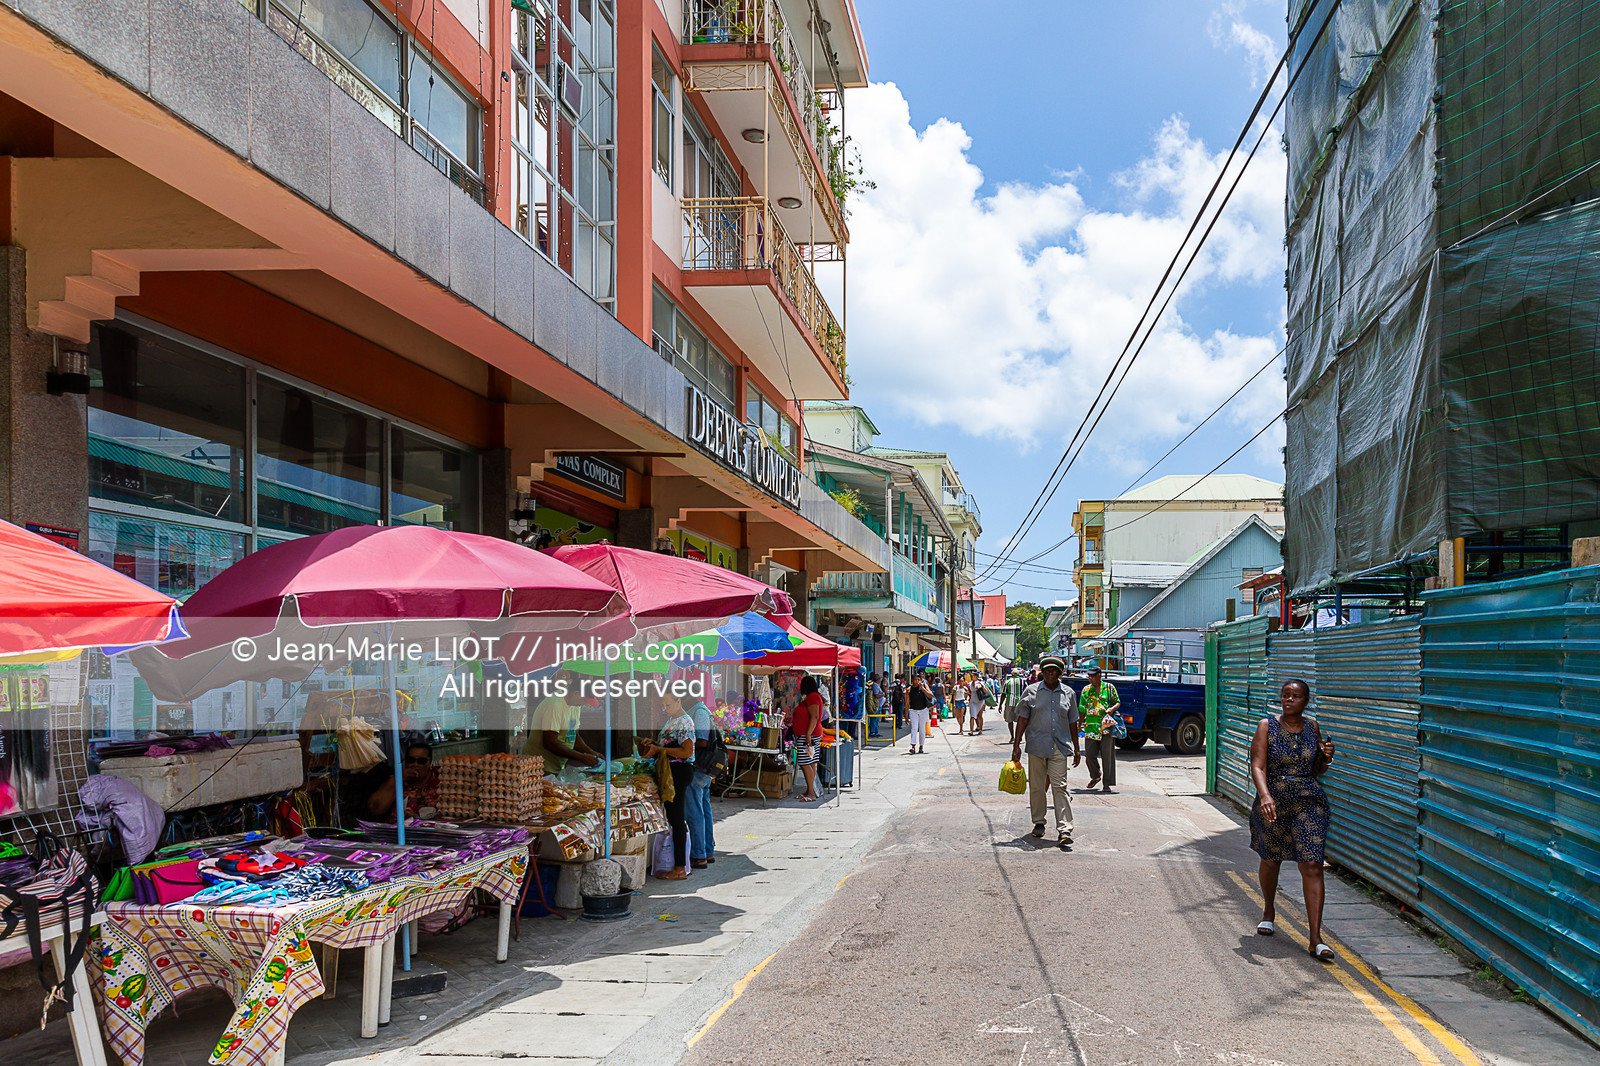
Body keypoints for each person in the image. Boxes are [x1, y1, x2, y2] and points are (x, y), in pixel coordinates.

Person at [1251, 678, 1336, 959]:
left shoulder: (1312, 727)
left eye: (1295, 696)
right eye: (1285, 695)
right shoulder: (1267, 726)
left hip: (1309, 801)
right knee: (1271, 858)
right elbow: (1258, 765)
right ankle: (1268, 910)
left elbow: (1315, 771)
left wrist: (1325, 759)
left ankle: (1315, 939)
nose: (1289, 700)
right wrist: (1265, 796)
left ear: (1305, 701)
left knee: (1312, 864)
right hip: (1273, 801)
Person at [1011, 656, 1081, 851]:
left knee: (1060, 787)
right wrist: (1016, 746)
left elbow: (1073, 723)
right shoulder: (1031, 692)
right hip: (1036, 746)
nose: (1051, 674)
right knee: (1037, 787)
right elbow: (1022, 720)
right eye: (1047, 671)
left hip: (1059, 747)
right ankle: (1039, 822)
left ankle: (1065, 829)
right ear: (1042, 672)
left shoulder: (1069, 694)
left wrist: (1076, 748)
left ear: (1060, 673)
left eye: (1054, 671)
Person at [638, 693, 698, 880]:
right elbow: (671, 745)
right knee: (674, 817)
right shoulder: (673, 720)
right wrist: (654, 745)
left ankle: (680, 867)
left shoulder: (684, 722)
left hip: (678, 772)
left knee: (677, 819)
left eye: (669, 704)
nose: (665, 708)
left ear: (679, 701)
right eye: (663, 705)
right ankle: (682, 863)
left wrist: (660, 750)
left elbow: (687, 751)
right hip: (670, 771)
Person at [523, 670, 601, 772]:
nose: (585, 704)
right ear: (576, 694)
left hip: (556, 767)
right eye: (585, 701)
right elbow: (550, 743)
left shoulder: (575, 705)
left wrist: (591, 752)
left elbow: (573, 736)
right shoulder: (554, 704)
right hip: (538, 768)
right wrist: (582, 757)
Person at [362, 733, 438, 820]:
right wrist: (398, 778)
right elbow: (375, 809)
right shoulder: (397, 780)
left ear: (430, 762)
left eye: (421, 761)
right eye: (411, 760)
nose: (415, 764)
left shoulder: (438, 778)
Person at [685, 690, 717, 869]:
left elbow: (703, 740)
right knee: (703, 810)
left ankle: (699, 855)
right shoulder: (698, 711)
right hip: (701, 769)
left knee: (695, 811)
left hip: (699, 768)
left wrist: (683, 742)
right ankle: (707, 851)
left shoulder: (699, 712)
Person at [1079, 667, 1121, 792]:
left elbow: (1117, 702)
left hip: (1106, 727)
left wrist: (1112, 709)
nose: (1090, 679)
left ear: (1099, 676)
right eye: (1089, 677)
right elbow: (1082, 709)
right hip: (1091, 727)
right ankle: (1095, 775)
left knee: (1107, 757)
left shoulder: (1109, 688)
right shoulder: (1086, 690)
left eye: (1092, 677)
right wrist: (1078, 726)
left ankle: (1106, 784)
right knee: (1089, 755)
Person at [791, 676, 826, 800]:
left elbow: (814, 717)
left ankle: (811, 793)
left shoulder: (812, 697)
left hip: (808, 735)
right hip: (810, 734)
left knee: (805, 762)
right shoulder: (813, 697)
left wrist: (807, 735)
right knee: (810, 762)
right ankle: (809, 791)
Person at [905, 674, 932, 754]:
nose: (916, 681)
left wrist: (922, 689)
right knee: (914, 728)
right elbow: (907, 704)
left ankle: (921, 746)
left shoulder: (924, 686)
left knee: (922, 728)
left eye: (918, 679)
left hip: (923, 710)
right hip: (913, 710)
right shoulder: (909, 690)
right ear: (912, 680)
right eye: (915, 680)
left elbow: (930, 696)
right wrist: (906, 716)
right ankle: (913, 746)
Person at [1001, 669, 1025, 743]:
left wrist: (1000, 705)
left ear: (1011, 675)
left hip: (1009, 703)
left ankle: (1012, 737)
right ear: (1018, 675)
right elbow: (1026, 692)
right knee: (1020, 721)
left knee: (1010, 720)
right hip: (1020, 703)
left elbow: (1003, 694)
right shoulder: (1022, 682)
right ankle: (1019, 737)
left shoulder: (1007, 682)